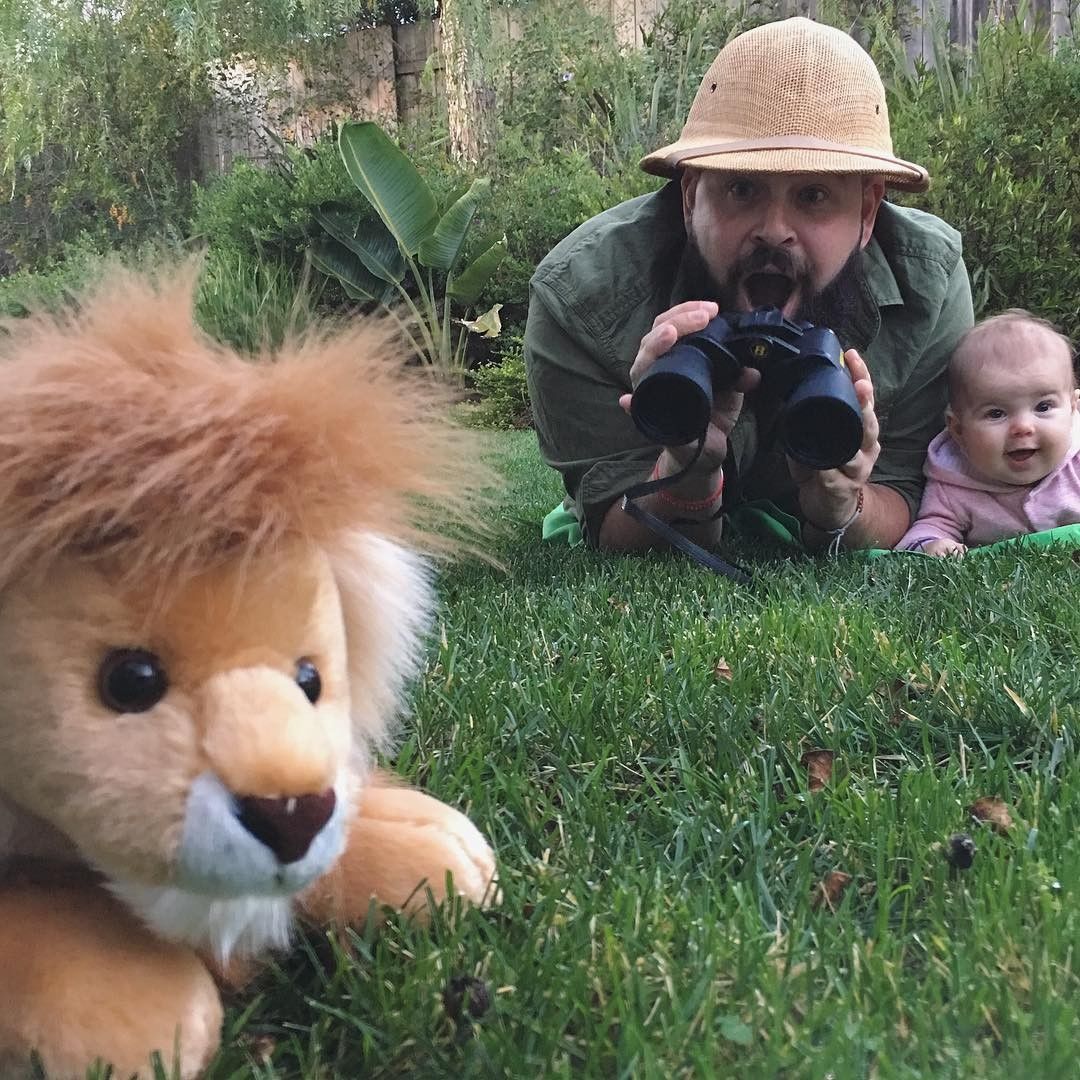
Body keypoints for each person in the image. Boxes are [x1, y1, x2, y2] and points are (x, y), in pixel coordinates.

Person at [524, 17, 974, 556]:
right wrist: (685, 470)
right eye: (741, 188)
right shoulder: (581, 300)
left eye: (813, 195)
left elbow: (906, 492)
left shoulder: (928, 284)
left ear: (869, 210)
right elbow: (610, 523)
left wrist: (842, 503)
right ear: (690, 197)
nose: (774, 230)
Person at [895, 310, 1080, 556]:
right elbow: (930, 527)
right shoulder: (954, 478)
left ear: (1073, 409)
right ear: (959, 430)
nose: (1023, 427)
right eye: (996, 413)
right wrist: (933, 544)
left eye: (1043, 407)